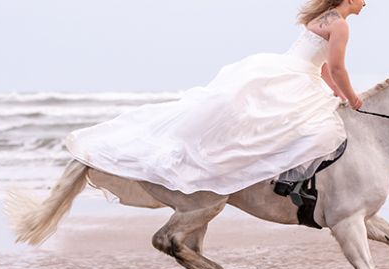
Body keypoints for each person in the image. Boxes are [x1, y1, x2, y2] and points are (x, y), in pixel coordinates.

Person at [64, 0, 367, 197]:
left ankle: (286, 180)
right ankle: (289, 181)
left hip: (289, 68)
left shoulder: (323, 18)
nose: (367, 2)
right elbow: (337, 67)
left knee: (269, 122)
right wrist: (352, 97)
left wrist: (338, 93)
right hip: (298, 76)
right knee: (324, 130)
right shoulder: (340, 25)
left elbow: (325, 67)